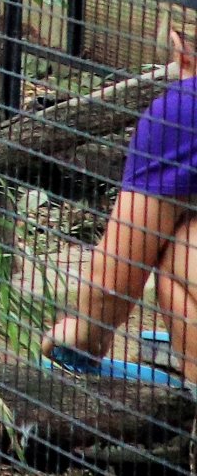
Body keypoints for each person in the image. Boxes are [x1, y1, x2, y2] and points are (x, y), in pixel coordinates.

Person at [42, 25, 197, 384]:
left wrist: (81, 334)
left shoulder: (184, 108)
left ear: (181, 47)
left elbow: (114, 280)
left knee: (177, 253)